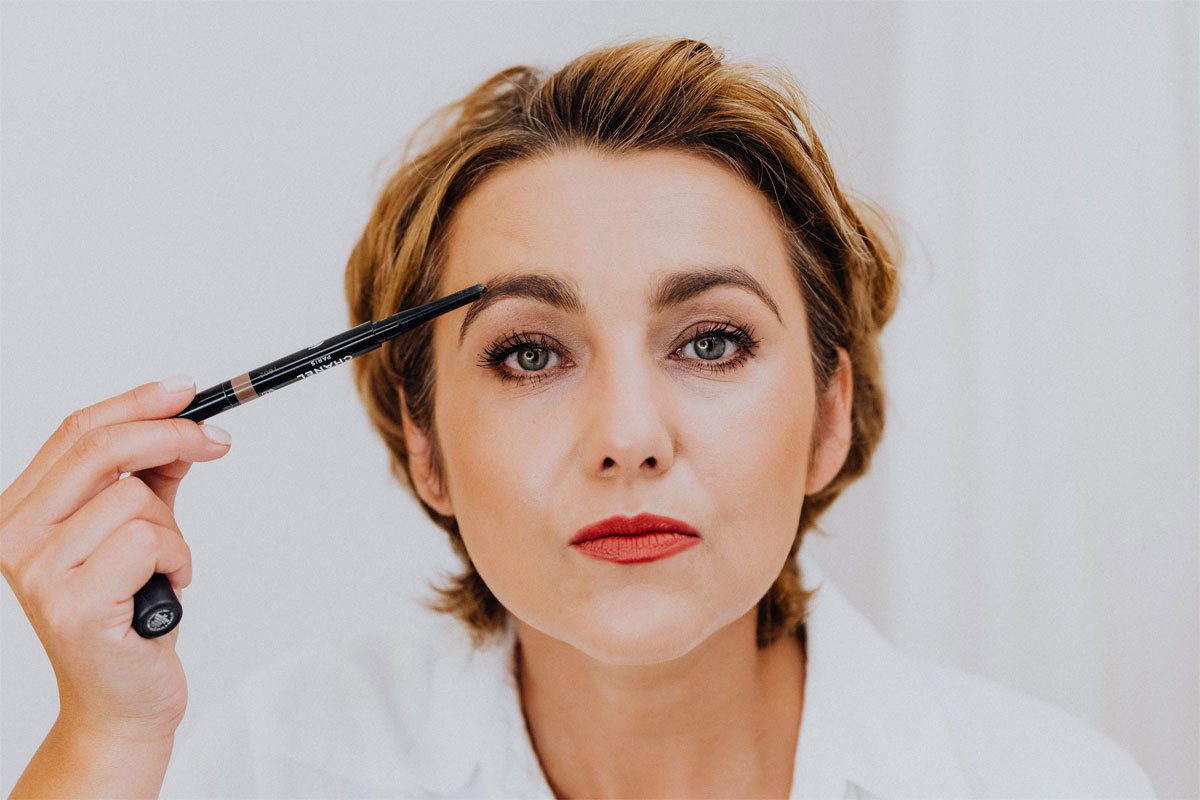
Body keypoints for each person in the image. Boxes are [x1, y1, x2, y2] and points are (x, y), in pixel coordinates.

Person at [2, 36, 1156, 799]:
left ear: (829, 418)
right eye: (528, 352)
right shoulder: (281, 762)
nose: (628, 434)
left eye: (712, 341)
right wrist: (104, 736)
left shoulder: (1050, 782)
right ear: (425, 449)